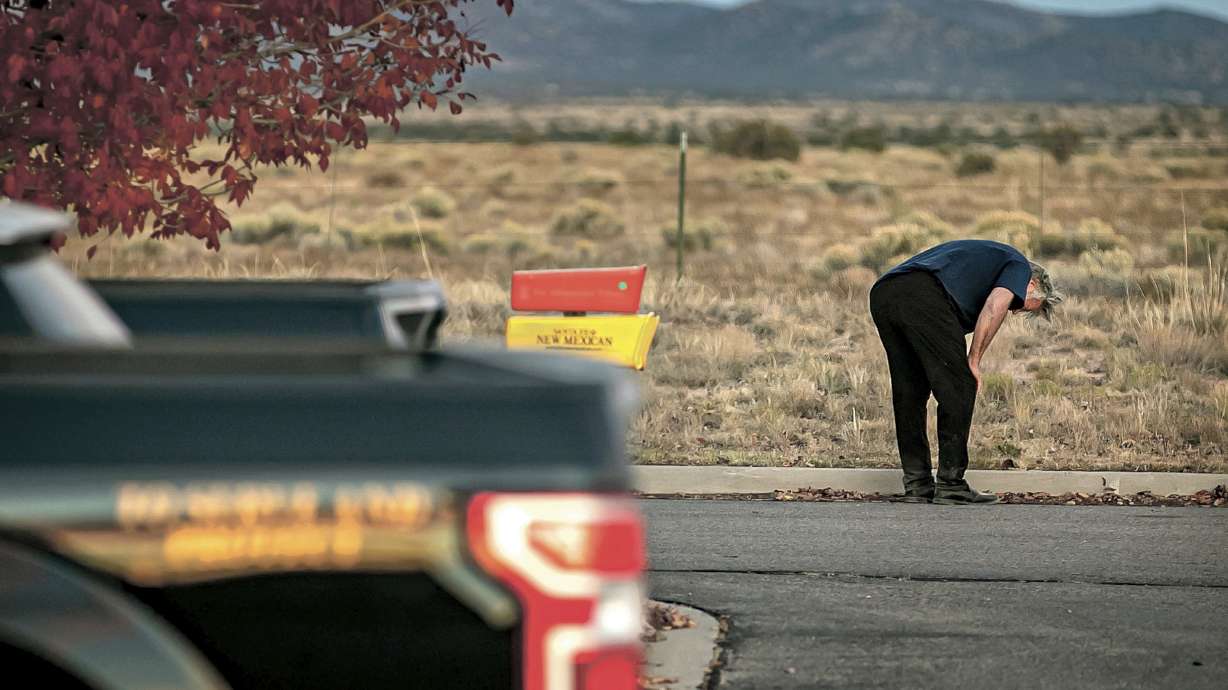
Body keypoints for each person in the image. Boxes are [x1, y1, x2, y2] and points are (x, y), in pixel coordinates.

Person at [868, 239, 1063, 505]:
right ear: (1031, 284)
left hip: (885, 293)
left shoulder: (985, 265)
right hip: (923, 293)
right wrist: (974, 359)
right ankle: (951, 484)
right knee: (960, 385)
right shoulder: (1018, 265)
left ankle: (918, 485)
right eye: (1021, 305)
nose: (1015, 310)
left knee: (910, 393)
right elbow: (995, 306)